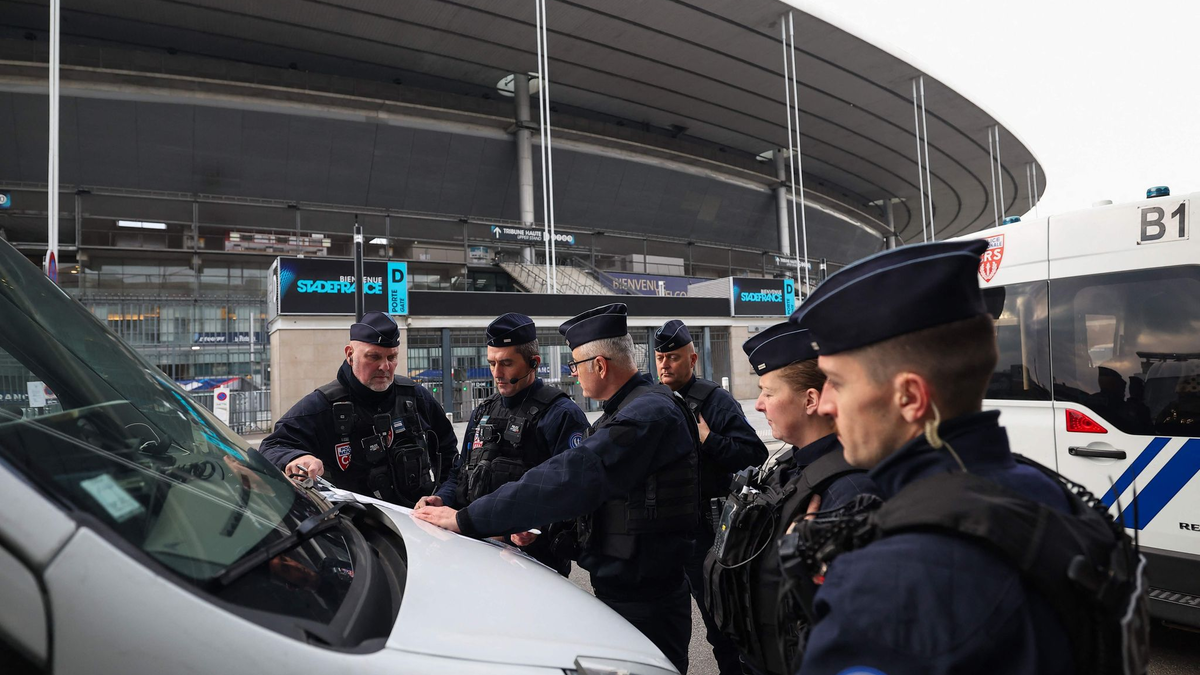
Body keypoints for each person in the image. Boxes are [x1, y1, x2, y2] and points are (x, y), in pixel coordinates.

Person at [787, 240, 1135, 675]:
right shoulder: (1048, 492)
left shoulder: (888, 582)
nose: (824, 404)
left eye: (837, 382)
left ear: (910, 397)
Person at [415, 303, 700, 674]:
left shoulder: (645, 415)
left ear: (600, 365)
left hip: (646, 598)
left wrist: (466, 519)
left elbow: (569, 477)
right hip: (627, 588)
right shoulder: (629, 409)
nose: (573, 374)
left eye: (575, 365)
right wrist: (536, 528)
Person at [703, 322, 874, 675]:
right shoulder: (789, 466)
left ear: (810, 400)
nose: (759, 405)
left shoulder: (847, 491)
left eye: (768, 393)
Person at [414, 313, 589, 576]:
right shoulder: (483, 411)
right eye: (492, 363)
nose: (497, 373)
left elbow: (575, 492)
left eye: (506, 363)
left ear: (533, 363)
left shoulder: (561, 415)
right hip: (475, 555)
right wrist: (441, 498)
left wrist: (536, 528)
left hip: (534, 567)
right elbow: (461, 473)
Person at [654, 318, 767, 675]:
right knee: (670, 623)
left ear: (692, 359)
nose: (665, 364)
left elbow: (754, 453)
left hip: (708, 533)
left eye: (673, 357)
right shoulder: (654, 400)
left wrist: (709, 440)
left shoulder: (714, 400)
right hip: (667, 532)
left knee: (721, 625)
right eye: (660, 358)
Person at [259, 311, 456, 507]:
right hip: (354, 522)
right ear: (350, 355)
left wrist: (443, 497)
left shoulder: (415, 397)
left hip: (417, 519)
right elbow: (273, 446)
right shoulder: (323, 405)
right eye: (374, 357)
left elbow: (449, 451)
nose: (384, 366)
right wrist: (297, 458)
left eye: (392, 357)